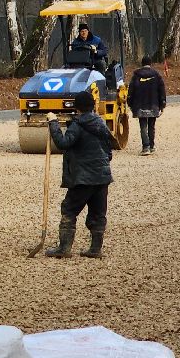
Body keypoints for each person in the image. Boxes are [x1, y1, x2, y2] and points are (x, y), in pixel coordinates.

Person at [45, 91, 116, 259]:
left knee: (69, 209)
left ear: (77, 107)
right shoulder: (101, 122)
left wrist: (53, 123)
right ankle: (95, 249)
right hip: (102, 176)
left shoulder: (78, 125)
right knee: (98, 213)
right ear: (93, 105)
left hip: (84, 177)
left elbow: (63, 143)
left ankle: (64, 248)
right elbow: (109, 151)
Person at [128, 56, 167, 156]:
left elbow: (131, 90)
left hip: (140, 105)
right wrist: (162, 104)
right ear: (151, 63)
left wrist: (130, 103)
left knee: (143, 126)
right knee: (151, 126)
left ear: (141, 63)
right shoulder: (156, 75)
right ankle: (152, 145)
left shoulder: (136, 75)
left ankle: (145, 147)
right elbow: (161, 90)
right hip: (153, 104)